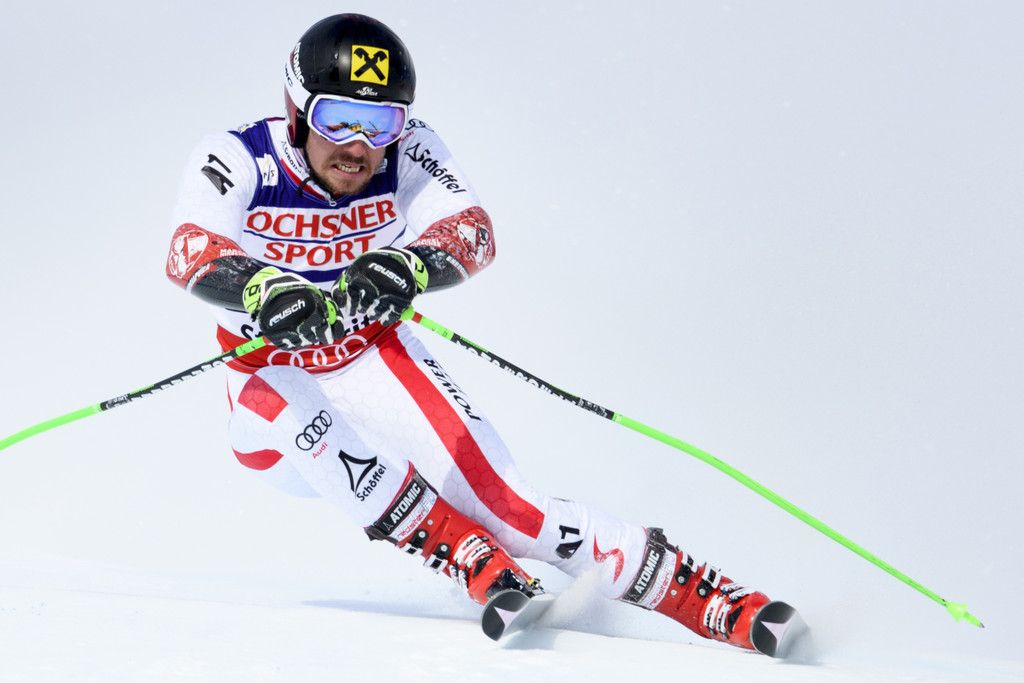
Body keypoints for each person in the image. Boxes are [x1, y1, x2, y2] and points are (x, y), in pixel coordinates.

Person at [166, 13, 779, 652]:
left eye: (380, 124)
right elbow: (189, 249)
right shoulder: (237, 157)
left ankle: (707, 598)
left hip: (372, 359)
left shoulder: (409, 151)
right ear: (297, 111)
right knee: (292, 410)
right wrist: (261, 287)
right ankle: (468, 556)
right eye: (338, 119)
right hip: (267, 384)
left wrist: (411, 265)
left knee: (513, 511)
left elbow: (471, 231)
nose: (358, 146)